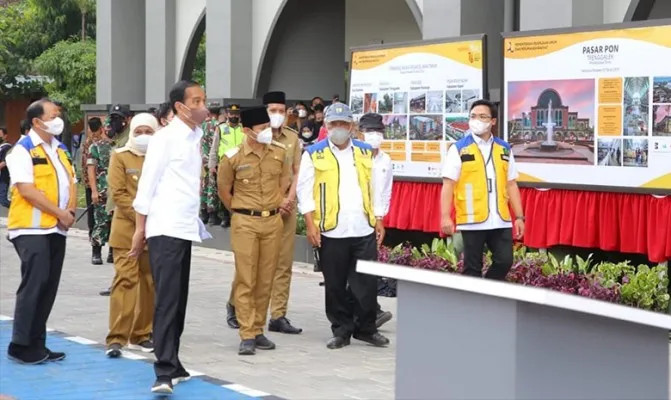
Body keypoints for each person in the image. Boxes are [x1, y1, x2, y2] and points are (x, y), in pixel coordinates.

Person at [130, 80, 211, 394]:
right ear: (180, 107)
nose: (204, 105)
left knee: (178, 300)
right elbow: (147, 185)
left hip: (184, 227)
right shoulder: (164, 139)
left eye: (204, 99)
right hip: (164, 227)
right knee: (166, 300)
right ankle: (163, 371)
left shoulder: (195, 136)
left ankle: (174, 363)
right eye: (197, 100)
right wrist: (140, 230)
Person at [296, 103, 390, 350]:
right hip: (331, 228)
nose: (338, 129)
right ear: (326, 126)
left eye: (343, 124)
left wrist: (379, 218)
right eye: (333, 124)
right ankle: (341, 330)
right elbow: (304, 191)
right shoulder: (313, 154)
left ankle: (367, 329)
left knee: (366, 283)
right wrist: (310, 223)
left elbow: (376, 187)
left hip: (362, 227)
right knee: (335, 284)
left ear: (352, 127)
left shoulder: (365, 151)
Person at [5, 98, 76, 364]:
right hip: (31, 228)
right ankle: (20, 345)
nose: (59, 119)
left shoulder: (60, 150)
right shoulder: (22, 150)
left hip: (56, 229)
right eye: (53, 115)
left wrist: (67, 214)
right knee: (34, 284)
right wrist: (59, 214)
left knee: (48, 286)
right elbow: (27, 190)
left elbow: (71, 182)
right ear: (36, 121)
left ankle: (37, 343)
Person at [217, 106, 290, 355]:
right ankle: (246, 333)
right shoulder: (232, 157)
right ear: (247, 131)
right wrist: (240, 211)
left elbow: (284, 182)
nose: (268, 131)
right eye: (262, 128)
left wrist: (275, 203)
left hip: (272, 221)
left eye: (269, 126)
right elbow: (224, 191)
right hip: (245, 222)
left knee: (265, 278)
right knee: (246, 277)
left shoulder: (279, 153)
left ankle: (258, 329)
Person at [440, 99, 525, 280]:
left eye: (482, 116)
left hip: (500, 218)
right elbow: (448, 184)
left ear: (492, 121)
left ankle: (487, 292)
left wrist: (519, 216)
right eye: (473, 116)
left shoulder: (504, 148)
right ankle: (472, 306)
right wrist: (445, 216)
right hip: (472, 218)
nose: (476, 120)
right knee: (472, 267)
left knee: (505, 261)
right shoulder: (459, 149)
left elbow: (512, 184)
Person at [105, 113, 159, 358]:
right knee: (125, 281)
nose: (144, 136)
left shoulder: (161, 158)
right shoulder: (120, 156)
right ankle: (117, 337)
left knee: (149, 283)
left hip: (155, 230)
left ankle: (142, 334)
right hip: (127, 229)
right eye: (139, 131)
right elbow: (119, 193)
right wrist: (142, 219)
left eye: (149, 131)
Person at [265, 91, 303, 334]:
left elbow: (298, 170)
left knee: (283, 262)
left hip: (287, 207)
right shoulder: (257, 135)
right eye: (273, 110)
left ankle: (278, 315)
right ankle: (237, 305)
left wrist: (289, 199)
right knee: (255, 262)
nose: (277, 115)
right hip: (263, 206)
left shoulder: (292, 137)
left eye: (281, 110)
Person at [357, 113, 394, 328]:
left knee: (367, 267)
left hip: (372, 221)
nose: (375, 136)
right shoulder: (353, 157)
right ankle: (366, 312)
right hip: (350, 220)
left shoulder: (385, 160)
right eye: (370, 132)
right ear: (361, 133)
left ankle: (371, 312)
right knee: (350, 269)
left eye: (378, 132)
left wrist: (380, 218)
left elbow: (385, 191)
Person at [209, 104, 244, 227]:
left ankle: (237, 215)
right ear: (227, 114)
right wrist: (212, 165)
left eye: (236, 113)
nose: (234, 116)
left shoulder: (243, 128)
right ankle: (225, 217)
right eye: (231, 113)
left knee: (239, 191)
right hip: (224, 164)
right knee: (225, 191)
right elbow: (214, 147)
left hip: (240, 164)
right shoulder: (221, 128)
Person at [87, 120, 115, 265]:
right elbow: (91, 169)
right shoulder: (95, 147)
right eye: (108, 126)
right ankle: (96, 251)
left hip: (118, 192)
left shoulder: (120, 146)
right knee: (101, 222)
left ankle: (113, 252)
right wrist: (94, 191)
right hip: (103, 190)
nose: (109, 129)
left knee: (116, 224)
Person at [199, 101, 222, 224]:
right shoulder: (219, 125)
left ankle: (203, 213)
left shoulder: (202, 125)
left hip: (203, 159)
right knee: (213, 187)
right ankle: (213, 214)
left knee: (204, 185)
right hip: (214, 160)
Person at [0, 127, 11, 208]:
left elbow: (5, 162)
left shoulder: (7, 147)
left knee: (3, 200)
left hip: (4, 177)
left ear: (5, 136)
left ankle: (17, 208)